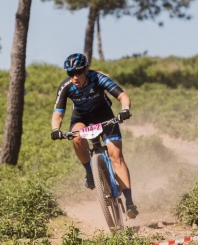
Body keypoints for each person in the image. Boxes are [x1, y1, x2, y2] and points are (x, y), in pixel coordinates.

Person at [50, 53, 138, 219]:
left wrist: (125, 110)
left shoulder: (98, 78)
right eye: (70, 73)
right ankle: (90, 172)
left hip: (105, 116)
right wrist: (56, 129)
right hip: (81, 118)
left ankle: (129, 201)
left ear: (86, 69)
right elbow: (58, 114)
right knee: (76, 137)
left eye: (78, 72)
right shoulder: (66, 87)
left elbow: (122, 96)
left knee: (116, 157)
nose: (74, 77)